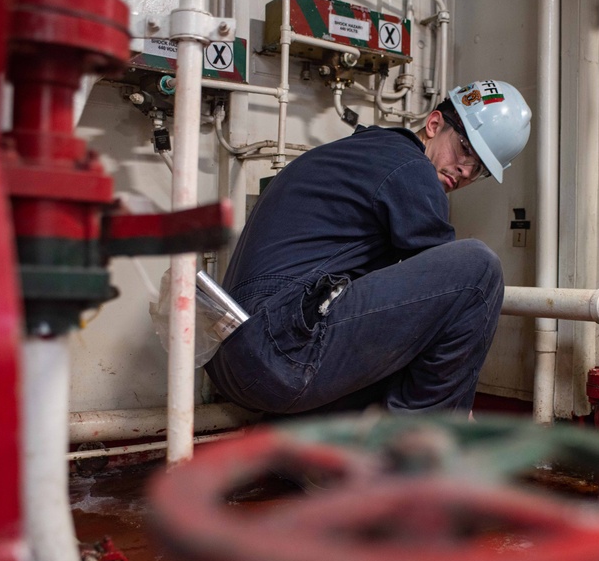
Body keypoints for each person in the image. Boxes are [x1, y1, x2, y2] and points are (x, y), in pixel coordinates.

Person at [205, 79, 532, 416]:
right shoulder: (411, 168)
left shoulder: (367, 154)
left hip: (237, 355)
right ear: (434, 124)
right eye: (465, 148)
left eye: (480, 169)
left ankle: (308, 439)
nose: (465, 170)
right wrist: (461, 411)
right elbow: (450, 300)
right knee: (478, 271)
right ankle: (425, 438)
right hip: (280, 347)